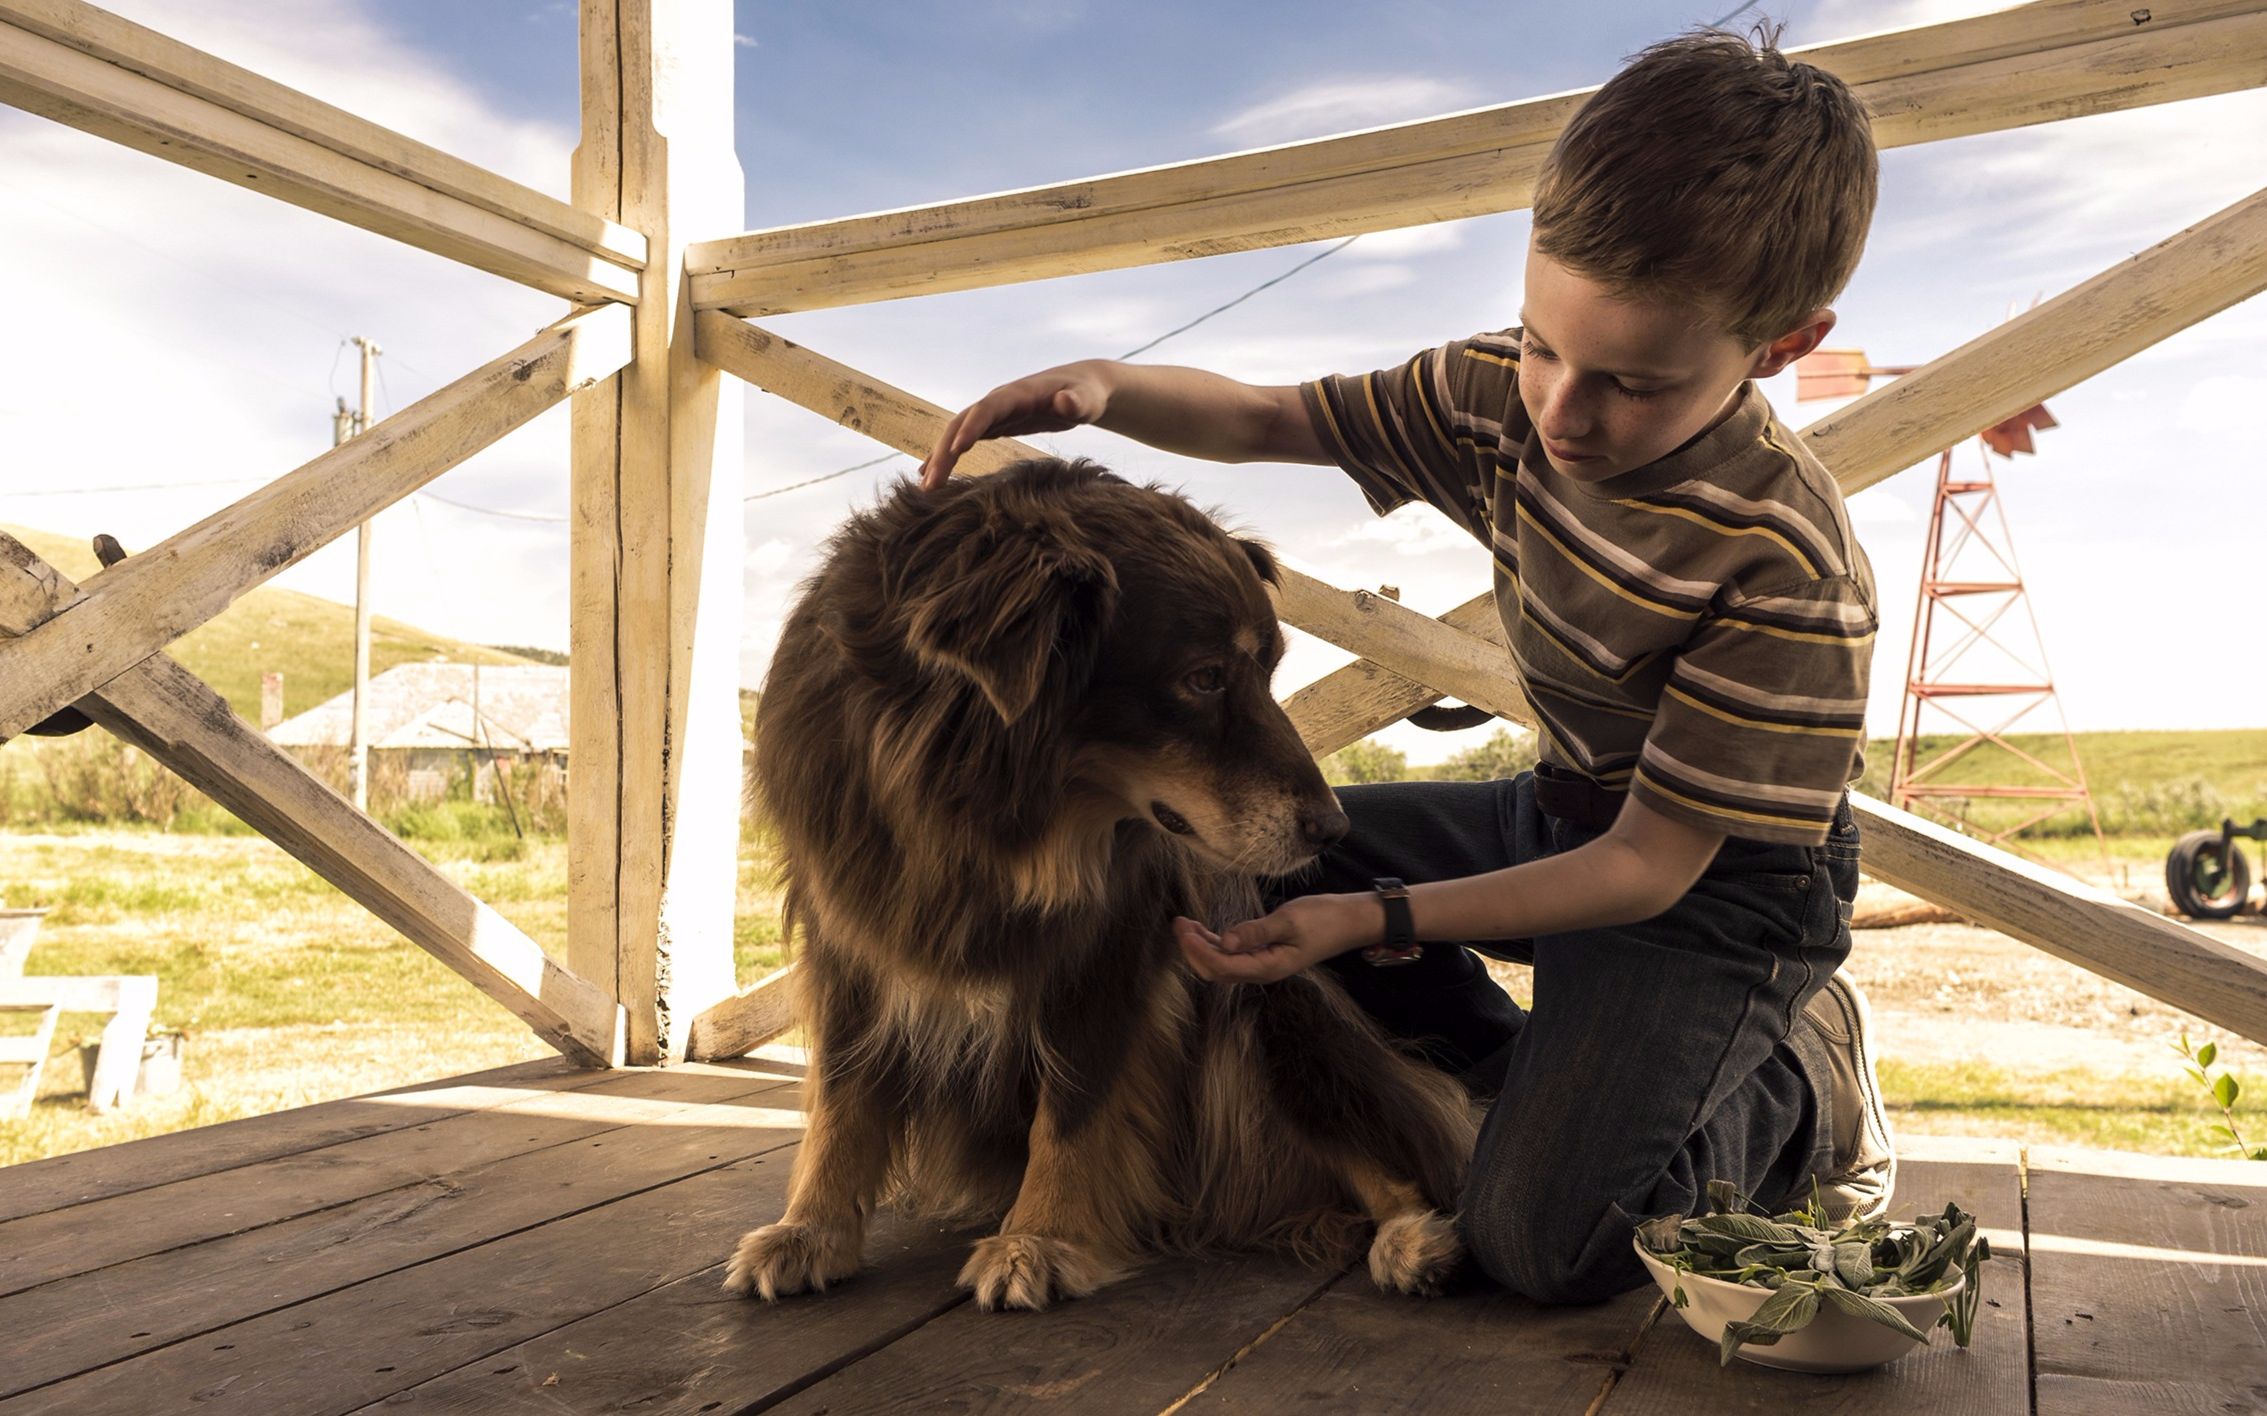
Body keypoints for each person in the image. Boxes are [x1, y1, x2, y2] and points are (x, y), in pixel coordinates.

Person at [917, 29, 1893, 1305]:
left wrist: (1376, 920)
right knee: (1259, 862)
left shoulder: (1785, 570)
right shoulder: (1495, 393)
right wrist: (1105, 387)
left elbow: (1646, 869)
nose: (1558, 414)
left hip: (1720, 889)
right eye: (1543, 345)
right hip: (1559, 807)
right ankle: (1530, 1076)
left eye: (1630, 385)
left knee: (1544, 1247)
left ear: (1779, 344)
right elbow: (1272, 419)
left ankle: (1802, 1081)